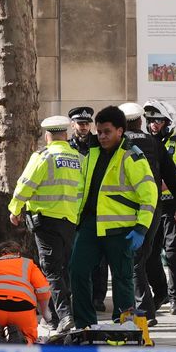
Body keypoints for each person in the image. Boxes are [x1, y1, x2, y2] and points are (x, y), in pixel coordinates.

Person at [68, 106, 158, 329]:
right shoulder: (93, 153)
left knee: (122, 278)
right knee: (77, 271)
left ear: (120, 131)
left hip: (121, 228)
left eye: (107, 131)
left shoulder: (132, 155)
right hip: (90, 225)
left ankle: (124, 326)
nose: (102, 136)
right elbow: (84, 188)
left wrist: (141, 228)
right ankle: (85, 324)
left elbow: (149, 193)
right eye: (99, 131)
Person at [7, 115, 86, 332]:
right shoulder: (79, 158)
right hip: (69, 221)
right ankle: (53, 318)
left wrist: (15, 209)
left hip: (45, 222)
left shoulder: (42, 156)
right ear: (66, 134)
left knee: (51, 270)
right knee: (62, 269)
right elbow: (82, 191)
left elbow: (26, 184)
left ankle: (64, 316)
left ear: (47, 135)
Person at [119, 102, 176, 324]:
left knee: (134, 261)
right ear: (140, 121)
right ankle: (149, 304)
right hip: (153, 209)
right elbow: (174, 178)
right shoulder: (154, 143)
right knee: (143, 257)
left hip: (124, 211)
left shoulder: (117, 144)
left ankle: (145, 311)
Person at [143, 99, 176, 315]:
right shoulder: (145, 143)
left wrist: (173, 182)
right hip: (153, 207)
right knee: (150, 253)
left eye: (158, 120)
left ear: (168, 121)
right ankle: (162, 292)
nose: (154, 124)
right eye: (150, 120)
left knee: (173, 252)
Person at [0, 241, 52, 344]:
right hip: (22, 309)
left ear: (0, 254)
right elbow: (43, 289)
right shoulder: (28, 264)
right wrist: (45, 312)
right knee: (30, 337)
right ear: (18, 253)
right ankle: (22, 339)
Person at [68, 106, 106, 312]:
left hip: (95, 205)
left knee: (99, 258)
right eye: (80, 123)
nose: (84, 127)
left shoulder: (98, 144)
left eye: (86, 123)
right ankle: (77, 293)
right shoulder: (67, 146)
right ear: (72, 124)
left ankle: (98, 297)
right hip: (73, 207)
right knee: (76, 255)